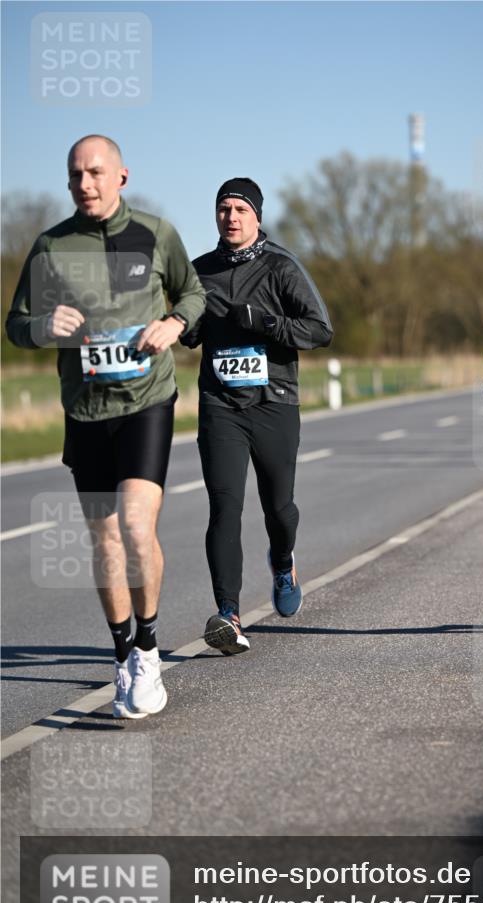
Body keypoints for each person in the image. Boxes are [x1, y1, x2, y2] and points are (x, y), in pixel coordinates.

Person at [6, 135, 206, 716]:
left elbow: (192, 293)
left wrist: (173, 323)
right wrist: (45, 326)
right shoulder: (51, 246)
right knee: (105, 538)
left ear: (122, 175)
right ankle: (122, 656)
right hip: (86, 412)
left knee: (137, 527)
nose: (84, 184)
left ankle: (148, 650)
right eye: (75, 176)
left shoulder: (155, 233)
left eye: (95, 172)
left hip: (147, 400)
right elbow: (16, 325)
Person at [184, 177, 333, 654]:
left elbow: (320, 329)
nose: (231, 216)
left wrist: (266, 323)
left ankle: (284, 561)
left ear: (257, 217)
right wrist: (187, 324)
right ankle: (228, 614)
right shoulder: (198, 271)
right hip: (220, 404)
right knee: (225, 507)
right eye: (223, 208)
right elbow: (184, 327)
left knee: (279, 509)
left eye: (240, 209)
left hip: (274, 403)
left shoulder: (281, 266)